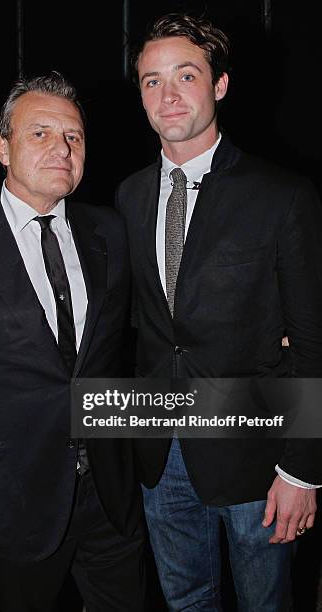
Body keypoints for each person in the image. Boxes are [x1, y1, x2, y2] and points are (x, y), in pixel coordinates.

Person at [0, 73, 145, 611]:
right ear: (2, 147)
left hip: (109, 496)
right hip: (10, 497)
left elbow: (130, 338)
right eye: (39, 133)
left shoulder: (109, 231)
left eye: (74, 136)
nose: (62, 147)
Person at [115, 12, 322, 611]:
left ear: (220, 85)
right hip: (160, 452)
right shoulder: (128, 196)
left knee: (266, 604)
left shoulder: (282, 195)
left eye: (186, 75)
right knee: (185, 602)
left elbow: (313, 342)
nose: (168, 94)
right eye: (152, 81)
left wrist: (303, 470)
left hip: (258, 457)